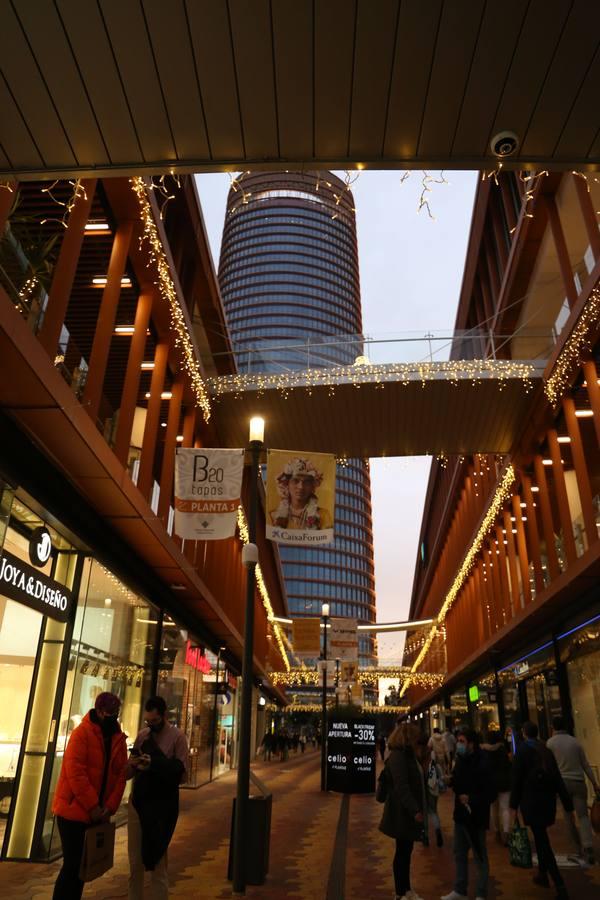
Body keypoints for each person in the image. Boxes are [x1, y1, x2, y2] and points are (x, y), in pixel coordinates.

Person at [52, 691, 127, 900]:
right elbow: (75, 773)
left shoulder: (117, 738)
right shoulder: (82, 733)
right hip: (73, 811)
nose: (113, 717)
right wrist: (93, 806)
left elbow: (120, 775)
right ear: (99, 711)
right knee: (72, 865)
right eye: (109, 713)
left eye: (116, 713)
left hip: (97, 812)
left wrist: (109, 808)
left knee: (83, 867)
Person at [127, 696, 189, 900]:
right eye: (147, 721)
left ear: (163, 716)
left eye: (154, 721)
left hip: (161, 807)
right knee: (135, 862)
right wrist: (134, 763)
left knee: (158, 861)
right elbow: (129, 772)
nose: (150, 725)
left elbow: (181, 773)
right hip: (139, 802)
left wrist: (154, 763)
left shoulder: (177, 737)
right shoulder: (143, 735)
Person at [509, 721, 574, 900]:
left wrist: (513, 806)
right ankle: (542, 875)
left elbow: (517, 780)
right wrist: (568, 804)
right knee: (540, 836)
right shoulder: (545, 749)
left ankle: (559, 883)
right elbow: (557, 777)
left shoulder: (522, 752)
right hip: (547, 801)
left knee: (542, 841)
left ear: (523, 733)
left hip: (532, 801)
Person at [441, 728, 495, 900]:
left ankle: (481, 892)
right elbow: (459, 782)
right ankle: (460, 889)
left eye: (462, 741)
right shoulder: (461, 759)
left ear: (471, 743)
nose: (459, 745)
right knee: (459, 852)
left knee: (479, 855)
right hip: (461, 815)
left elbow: (490, 792)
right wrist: (451, 781)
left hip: (476, 816)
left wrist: (471, 798)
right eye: (458, 741)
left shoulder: (483, 762)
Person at [379, 722, 426, 900]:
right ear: (407, 738)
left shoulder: (408, 755)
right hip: (401, 812)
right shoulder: (398, 756)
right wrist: (415, 810)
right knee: (402, 853)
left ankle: (406, 890)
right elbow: (402, 786)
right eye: (415, 737)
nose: (417, 740)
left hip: (406, 810)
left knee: (406, 851)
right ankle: (401, 893)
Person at [547, 715, 600, 865]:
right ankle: (588, 845)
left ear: (553, 727)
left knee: (568, 816)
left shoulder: (550, 744)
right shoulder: (575, 742)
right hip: (578, 781)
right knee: (583, 815)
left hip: (562, 783)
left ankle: (577, 848)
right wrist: (594, 783)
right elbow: (585, 764)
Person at [270, 457, 332, 530]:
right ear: (286, 484)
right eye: (295, 481)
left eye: (306, 482)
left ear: (312, 487)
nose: (301, 487)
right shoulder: (274, 515)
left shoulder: (323, 515)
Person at [481, 729, 512, 845]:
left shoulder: (484, 751)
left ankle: (497, 830)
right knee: (505, 808)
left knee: (493, 808)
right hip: (504, 782)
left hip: (490, 783)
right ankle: (506, 833)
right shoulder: (502, 749)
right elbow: (508, 764)